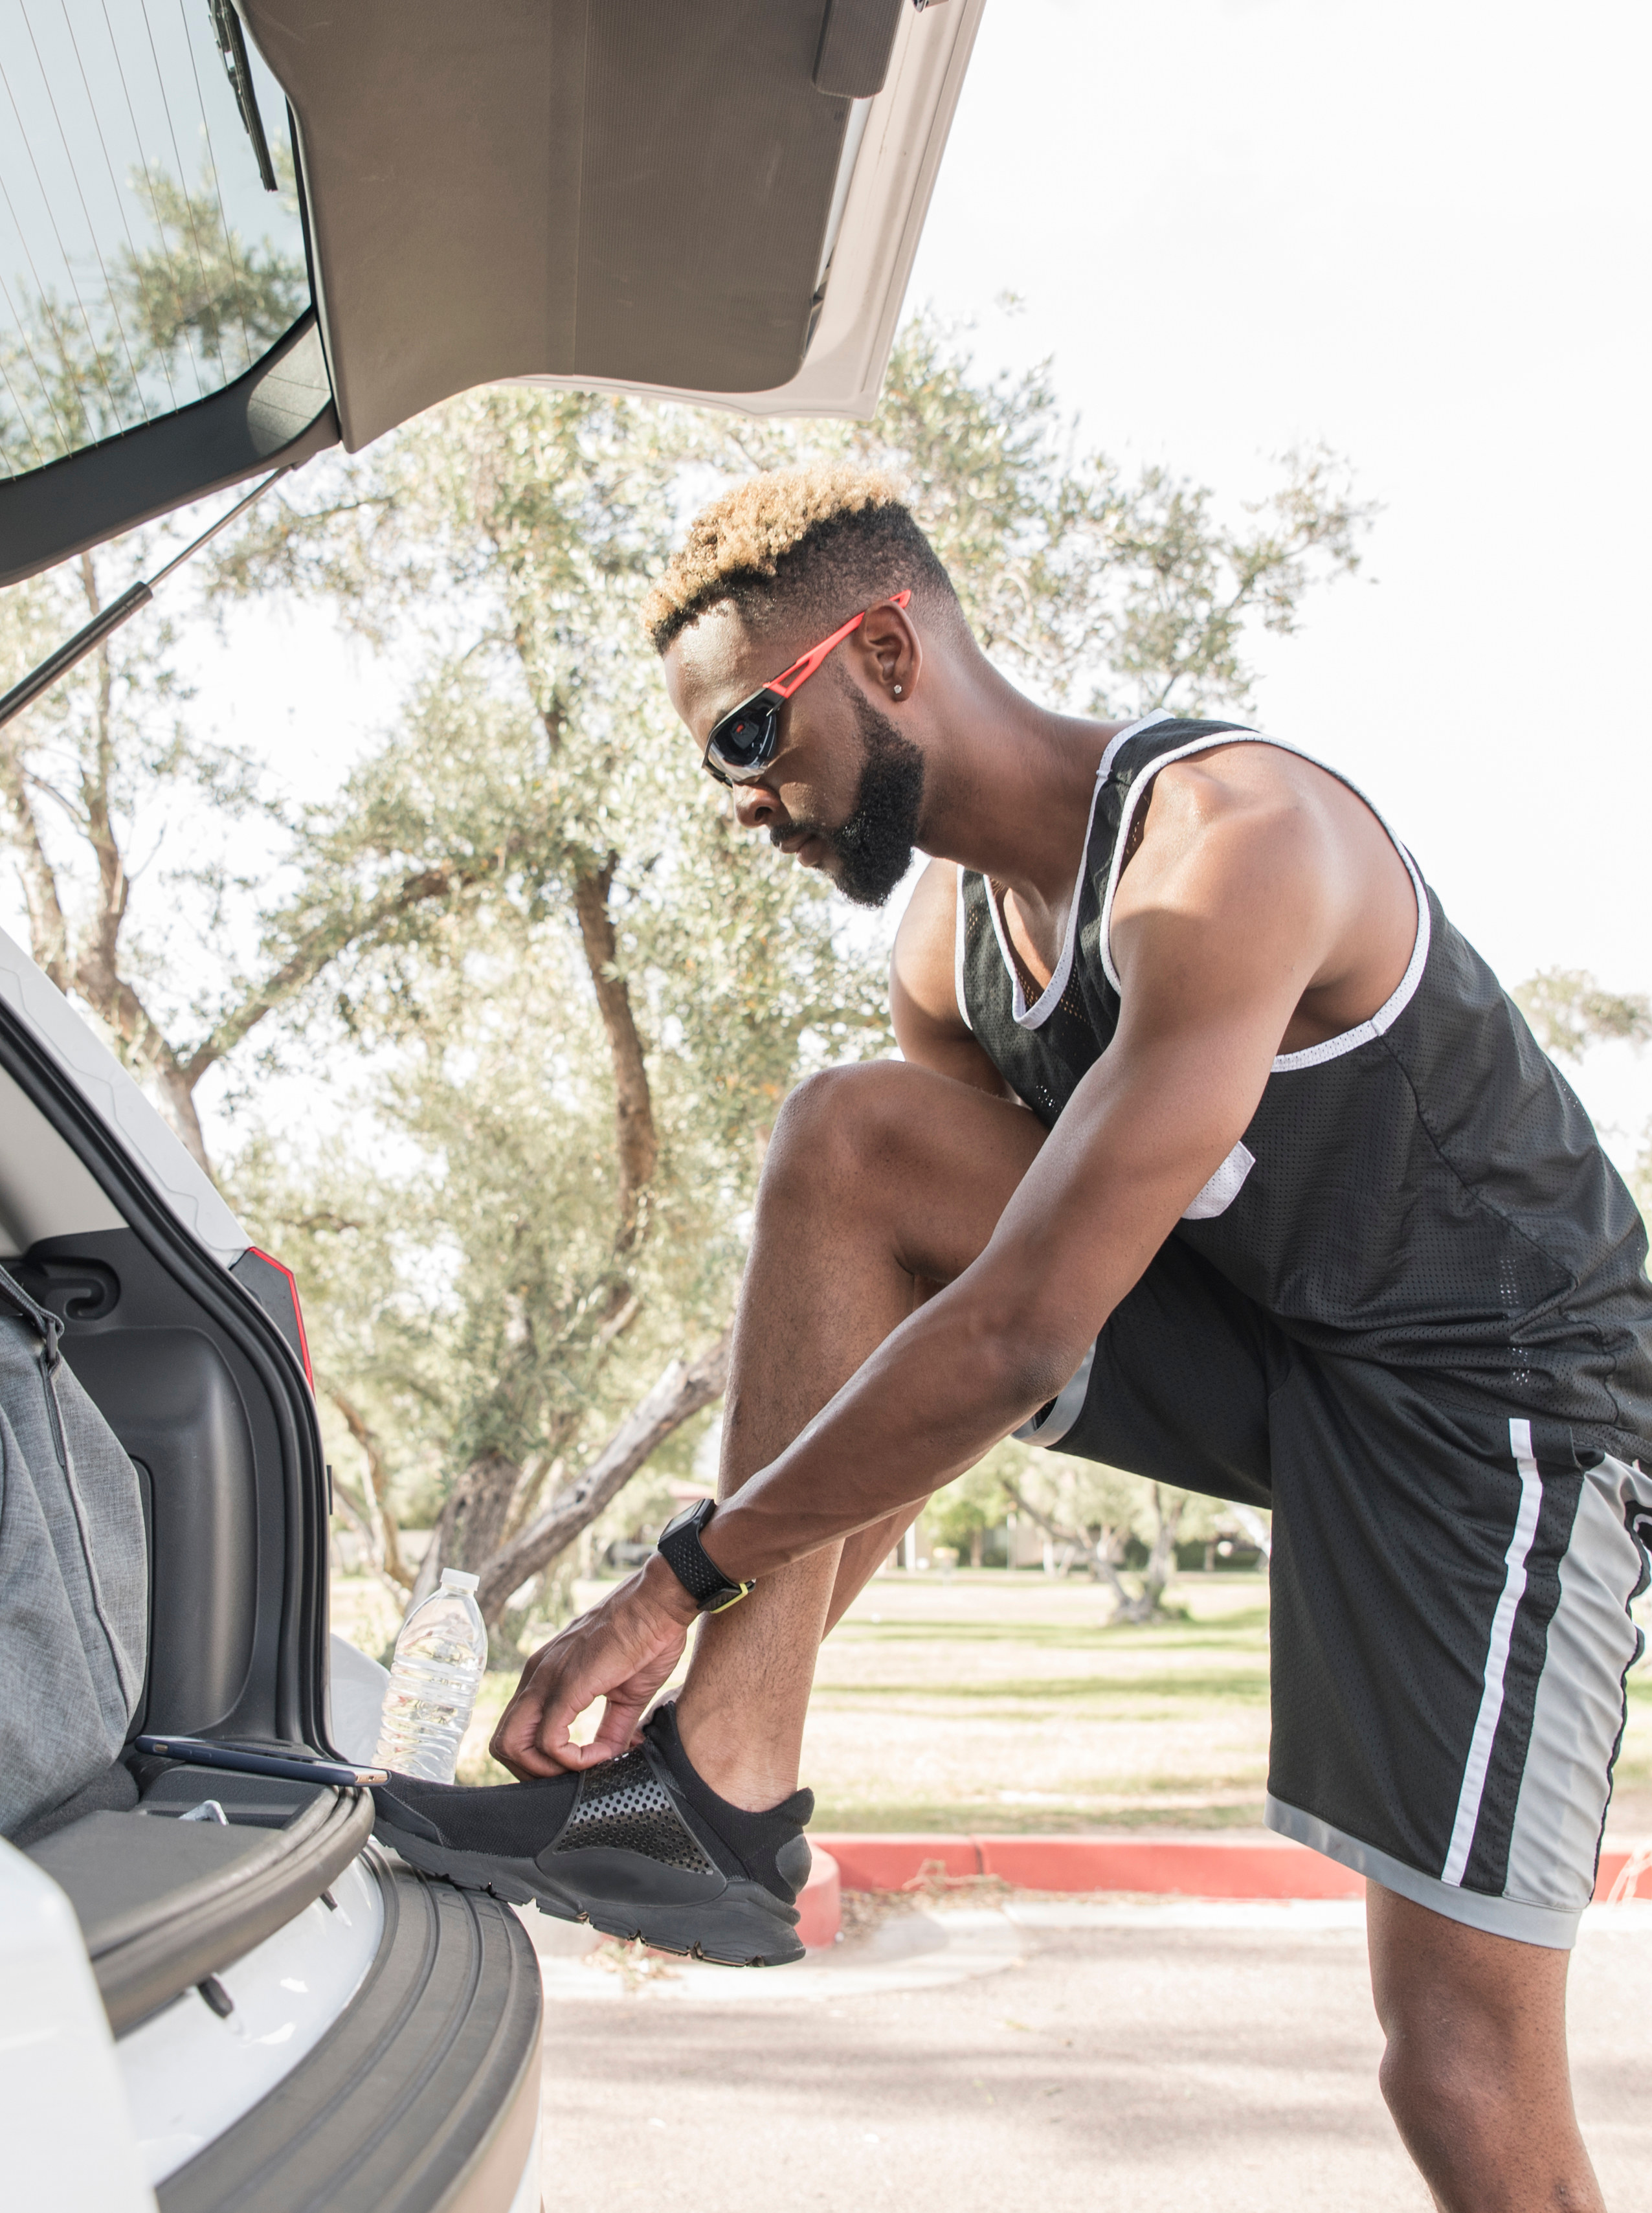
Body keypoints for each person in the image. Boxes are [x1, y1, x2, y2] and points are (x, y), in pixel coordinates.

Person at [370, 464, 1650, 2210]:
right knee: (852, 1144)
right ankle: (720, 1797)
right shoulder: (943, 948)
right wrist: (734, 1650)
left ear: (885, 650)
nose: (744, 798)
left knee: (1455, 2067)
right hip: (1275, 1351)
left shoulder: (1230, 850)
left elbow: (1023, 1323)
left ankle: (719, 1773)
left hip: (1501, 1403)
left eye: (754, 731)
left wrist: (674, 1582)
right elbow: (936, 1349)